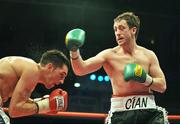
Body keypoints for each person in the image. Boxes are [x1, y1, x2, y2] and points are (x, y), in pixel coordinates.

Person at [65, 12, 169, 124]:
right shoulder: (109, 55)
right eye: (115, 29)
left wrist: (144, 78)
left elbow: (162, 86)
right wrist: (74, 50)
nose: (117, 33)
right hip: (120, 113)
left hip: (149, 113)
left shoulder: (149, 55)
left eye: (121, 28)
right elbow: (80, 70)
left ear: (133, 30)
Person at [0, 49, 69, 124]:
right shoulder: (33, 70)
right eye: (61, 75)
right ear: (50, 67)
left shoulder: (29, 70)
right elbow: (14, 111)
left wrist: (41, 101)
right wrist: (46, 105)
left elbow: (20, 103)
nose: (62, 82)